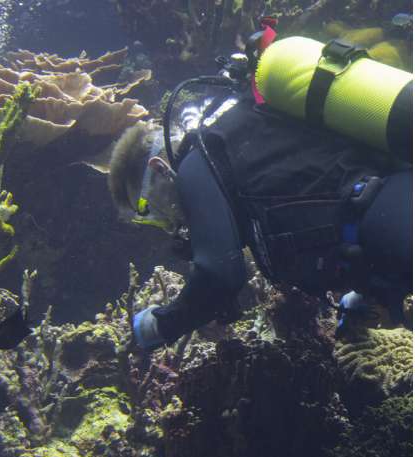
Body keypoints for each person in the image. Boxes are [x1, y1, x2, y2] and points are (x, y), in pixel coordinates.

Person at [108, 39, 412, 352]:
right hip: (393, 213)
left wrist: (158, 325)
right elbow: (326, 182)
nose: (167, 222)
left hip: (390, 219)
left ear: (158, 168)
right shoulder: (239, 137)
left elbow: (219, 274)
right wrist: (365, 293)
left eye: (150, 209)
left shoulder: (197, 166)